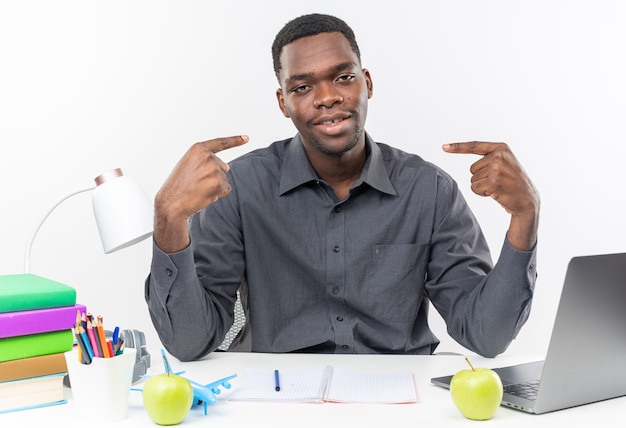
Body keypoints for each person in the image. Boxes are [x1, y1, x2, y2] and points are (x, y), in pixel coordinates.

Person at [145, 13, 539, 362]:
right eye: (302, 87)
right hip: (274, 398)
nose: (328, 97)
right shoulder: (240, 188)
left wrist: (525, 216)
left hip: (403, 397)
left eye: (343, 77)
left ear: (366, 82)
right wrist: (168, 218)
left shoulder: (429, 190)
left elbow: (486, 336)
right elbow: (190, 342)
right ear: (283, 102)